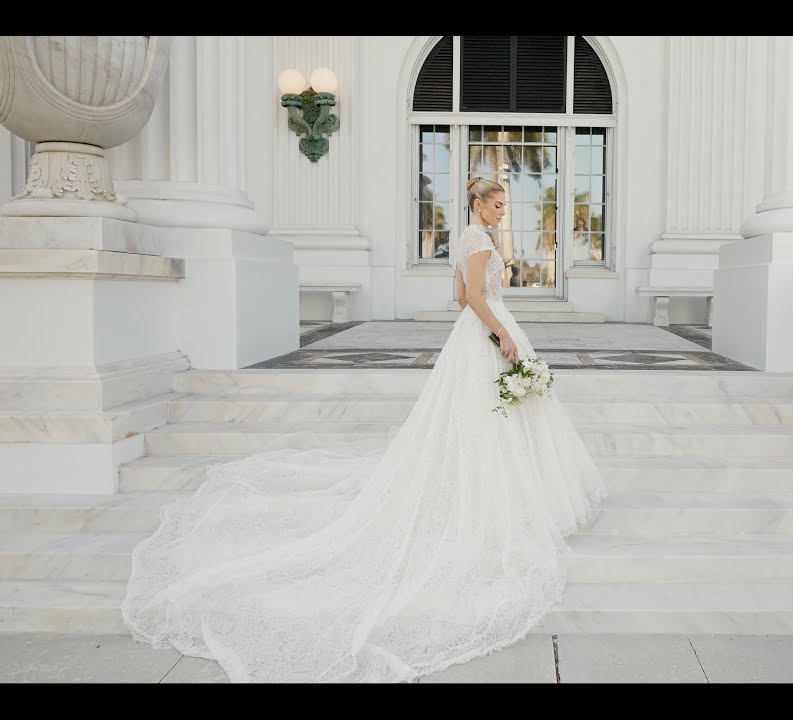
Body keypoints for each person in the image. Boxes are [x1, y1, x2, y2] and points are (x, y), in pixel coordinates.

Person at [121, 176, 606, 683]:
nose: (504, 212)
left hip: (469, 336)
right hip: (489, 332)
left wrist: (490, 321)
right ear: (478, 204)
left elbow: (460, 296)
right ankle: (504, 496)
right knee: (496, 414)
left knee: (484, 416)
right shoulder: (480, 240)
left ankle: (493, 486)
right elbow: (479, 302)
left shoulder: (465, 240)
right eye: (499, 204)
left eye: (505, 205)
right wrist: (503, 333)